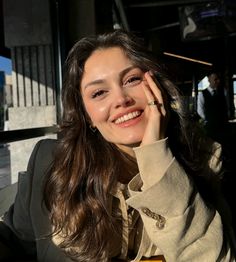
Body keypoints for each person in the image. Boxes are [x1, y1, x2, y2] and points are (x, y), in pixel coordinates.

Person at [0, 30, 235, 262]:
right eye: (99, 92)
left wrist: (157, 160)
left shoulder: (206, 161)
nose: (121, 99)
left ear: (157, 88)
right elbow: (14, 240)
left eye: (132, 80)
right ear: (87, 115)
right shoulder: (50, 162)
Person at [197, 72, 229, 144]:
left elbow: (227, 106)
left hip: (223, 127)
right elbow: (200, 110)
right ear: (209, 80)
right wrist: (208, 119)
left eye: (218, 79)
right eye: (215, 79)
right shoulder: (202, 94)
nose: (218, 81)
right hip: (211, 128)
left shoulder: (223, 91)